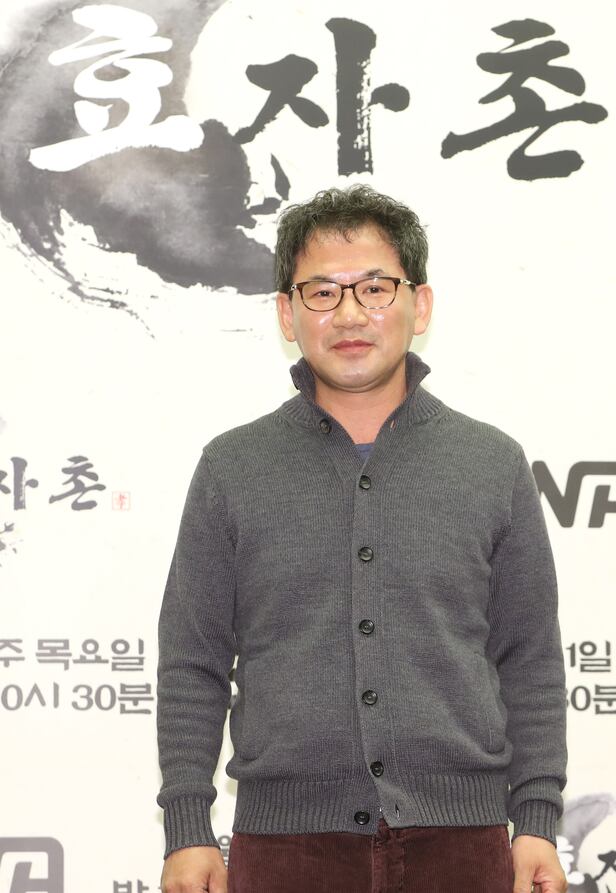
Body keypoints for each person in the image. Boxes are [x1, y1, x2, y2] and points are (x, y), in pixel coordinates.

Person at [156, 185, 568, 893]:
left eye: (375, 288)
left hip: (462, 845)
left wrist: (535, 818)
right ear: (287, 313)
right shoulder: (233, 467)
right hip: (287, 849)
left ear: (420, 304)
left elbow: (529, 659)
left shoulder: (492, 463)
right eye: (322, 292)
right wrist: (188, 829)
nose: (349, 313)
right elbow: (193, 662)